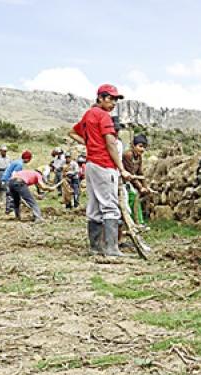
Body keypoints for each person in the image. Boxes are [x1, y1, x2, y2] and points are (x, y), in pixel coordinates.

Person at [68, 84, 132, 256]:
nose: (113, 103)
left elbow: (72, 132)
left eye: (115, 100)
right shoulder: (104, 116)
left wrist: (89, 144)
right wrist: (121, 168)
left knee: (95, 206)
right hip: (104, 165)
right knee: (110, 207)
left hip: (90, 165)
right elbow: (111, 143)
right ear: (101, 98)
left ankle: (96, 247)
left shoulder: (89, 115)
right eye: (110, 99)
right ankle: (111, 248)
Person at [122, 134, 152, 226]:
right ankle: (131, 222)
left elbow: (140, 173)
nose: (142, 149)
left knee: (135, 198)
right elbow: (131, 173)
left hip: (131, 180)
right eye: (140, 146)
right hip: (123, 180)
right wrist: (140, 187)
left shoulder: (139, 156)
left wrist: (146, 187)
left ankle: (138, 222)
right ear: (134, 146)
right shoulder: (128, 155)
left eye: (144, 147)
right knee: (132, 196)